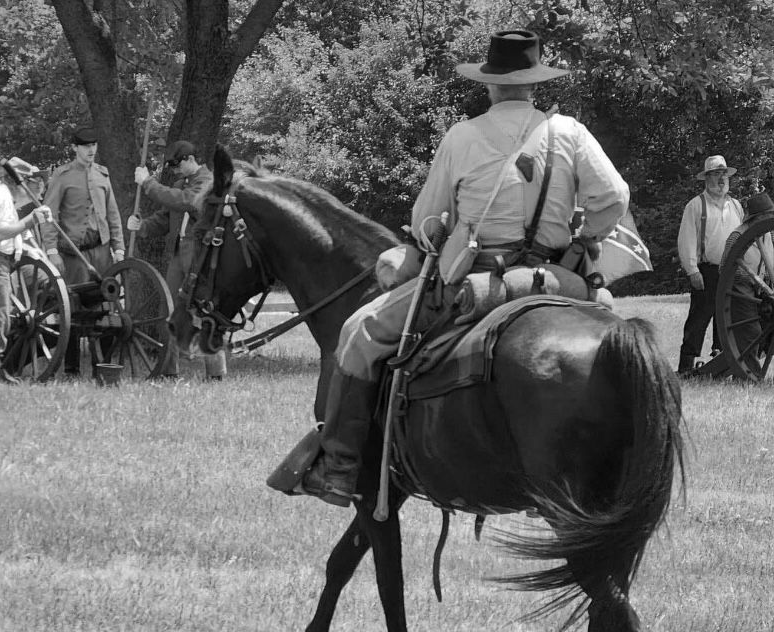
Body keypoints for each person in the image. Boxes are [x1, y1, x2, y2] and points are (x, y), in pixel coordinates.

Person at [269, 29, 630, 507]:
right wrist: (586, 239)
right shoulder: (571, 134)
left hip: (478, 283)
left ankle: (338, 465)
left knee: (359, 332)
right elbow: (615, 198)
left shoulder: (462, 137)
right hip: (558, 281)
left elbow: (425, 222)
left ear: (491, 84)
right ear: (534, 83)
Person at [128, 140, 227, 380]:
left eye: (175, 166)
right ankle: (169, 370)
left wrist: (148, 183)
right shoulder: (180, 183)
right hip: (178, 254)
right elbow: (165, 219)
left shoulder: (208, 182)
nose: (174, 171)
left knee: (205, 311)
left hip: (200, 253)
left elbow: (183, 201)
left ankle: (215, 374)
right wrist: (142, 226)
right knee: (169, 310)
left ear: (189, 160)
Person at [41, 127, 126, 376]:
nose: (91, 150)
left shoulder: (103, 175)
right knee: (73, 310)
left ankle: (103, 366)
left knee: (105, 308)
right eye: (86, 146)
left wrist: (118, 248)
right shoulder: (62, 175)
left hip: (101, 252)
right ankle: (71, 368)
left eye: (94, 146)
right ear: (75, 148)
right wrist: (51, 249)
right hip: (73, 254)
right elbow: (49, 215)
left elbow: (113, 215)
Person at [0, 158, 52, 381]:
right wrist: (31, 220)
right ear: (19, 181)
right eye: (31, 182)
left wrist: (31, 249)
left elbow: (8, 231)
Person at [676, 155, 743, 374]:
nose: (722, 179)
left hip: (732, 271)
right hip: (708, 270)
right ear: (707, 179)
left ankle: (720, 362)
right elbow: (687, 240)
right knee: (699, 317)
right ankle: (686, 365)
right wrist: (692, 270)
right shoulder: (696, 206)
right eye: (716, 174)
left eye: (724, 174)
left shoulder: (736, 206)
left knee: (726, 318)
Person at [720, 191, 774, 376]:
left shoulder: (767, 235)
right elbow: (725, 269)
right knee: (751, 332)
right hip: (739, 286)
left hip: (761, 288)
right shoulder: (737, 236)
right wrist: (755, 280)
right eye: (769, 215)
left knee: (763, 330)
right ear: (758, 217)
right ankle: (750, 374)